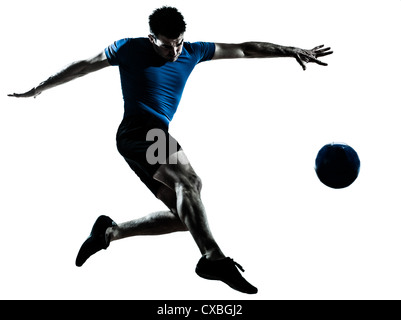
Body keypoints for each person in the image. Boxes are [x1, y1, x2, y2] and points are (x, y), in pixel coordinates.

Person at [8, 6, 332, 294]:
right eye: (166, 45)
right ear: (152, 38)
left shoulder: (193, 51)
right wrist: (39, 88)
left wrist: (291, 50)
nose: (174, 51)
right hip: (138, 128)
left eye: (178, 42)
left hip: (151, 133)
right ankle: (213, 258)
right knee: (190, 183)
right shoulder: (128, 48)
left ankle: (109, 232)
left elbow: (245, 49)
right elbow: (83, 66)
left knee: (186, 215)